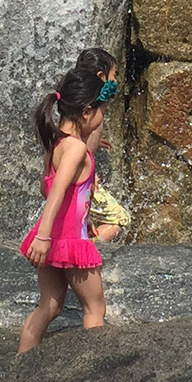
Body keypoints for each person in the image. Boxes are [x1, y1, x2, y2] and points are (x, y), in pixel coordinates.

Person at [17, 66, 109, 352]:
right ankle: (92, 373)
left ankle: (20, 369)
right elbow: (56, 192)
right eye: (101, 111)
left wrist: (83, 217)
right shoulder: (75, 148)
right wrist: (44, 236)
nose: (102, 118)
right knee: (95, 308)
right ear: (86, 113)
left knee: (49, 306)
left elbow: (46, 187)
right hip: (67, 242)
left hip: (54, 239)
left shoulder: (56, 143)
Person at [73, 46, 129, 243]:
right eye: (114, 74)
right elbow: (78, 146)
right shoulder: (91, 108)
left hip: (82, 174)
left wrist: (96, 141)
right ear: (100, 75)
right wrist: (90, 176)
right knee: (120, 218)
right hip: (84, 175)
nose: (116, 80)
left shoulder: (82, 103)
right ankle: (87, 248)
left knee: (82, 218)